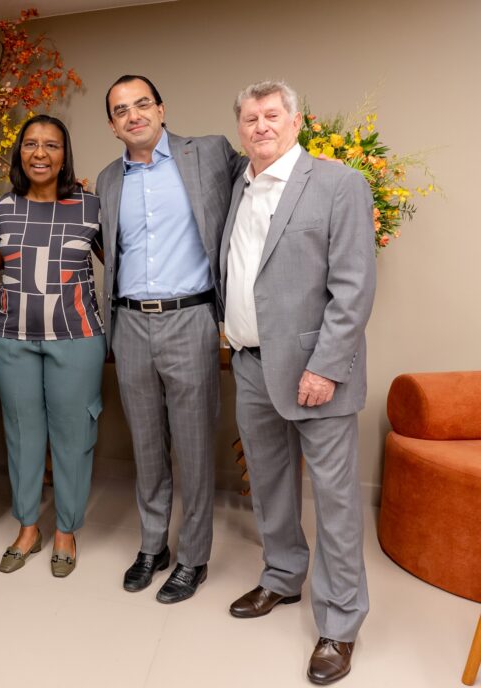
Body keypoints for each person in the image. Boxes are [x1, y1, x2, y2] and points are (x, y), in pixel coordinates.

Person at [222, 80, 375, 685]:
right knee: (269, 487)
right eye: (250, 118)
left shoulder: (338, 183)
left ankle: (339, 623)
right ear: (240, 129)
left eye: (271, 115)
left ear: (295, 122)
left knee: (335, 503)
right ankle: (283, 577)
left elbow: (354, 287)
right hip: (250, 364)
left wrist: (326, 366)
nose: (260, 126)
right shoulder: (240, 186)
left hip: (317, 373)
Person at [95, 75, 244, 602]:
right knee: (146, 444)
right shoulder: (107, 179)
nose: (133, 115)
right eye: (121, 110)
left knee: (195, 447)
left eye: (142, 104)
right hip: (131, 323)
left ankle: (193, 557)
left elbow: (266, 176)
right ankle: (152, 546)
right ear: (112, 126)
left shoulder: (208, 153)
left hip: (191, 318)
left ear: (161, 108)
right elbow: (109, 249)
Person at [0, 115, 105, 578]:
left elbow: (123, 265)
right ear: (20, 153)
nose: (40, 153)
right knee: (22, 434)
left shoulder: (91, 207)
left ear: (64, 155)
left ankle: (67, 531)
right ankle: (28, 528)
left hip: (77, 337)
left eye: (51, 145)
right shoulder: (2, 208)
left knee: (73, 437)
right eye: (31, 144)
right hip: (12, 339)